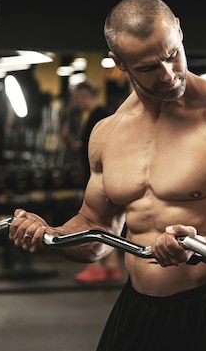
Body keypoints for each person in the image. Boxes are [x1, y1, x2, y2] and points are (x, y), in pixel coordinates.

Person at [8, 0, 206, 351]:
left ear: (179, 32)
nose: (168, 74)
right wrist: (51, 234)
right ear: (119, 63)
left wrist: (201, 245)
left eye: (172, 55)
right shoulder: (108, 133)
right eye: (148, 68)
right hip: (138, 304)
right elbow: (96, 230)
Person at [67, 81, 123, 283]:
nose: (76, 103)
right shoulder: (92, 117)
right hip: (95, 176)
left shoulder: (102, 116)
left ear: (83, 95)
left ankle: (96, 267)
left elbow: (109, 150)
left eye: (76, 99)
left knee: (94, 222)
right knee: (108, 225)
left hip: (100, 179)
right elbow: (87, 150)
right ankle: (112, 267)